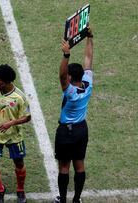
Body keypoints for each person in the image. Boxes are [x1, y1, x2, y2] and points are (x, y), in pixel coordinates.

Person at [54, 27, 94, 203]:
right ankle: (76, 200)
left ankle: (62, 200)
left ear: (70, 77)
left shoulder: (69, 91)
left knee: (64, 166)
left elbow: (61, 75)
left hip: (66, 132)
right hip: (81, 130)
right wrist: (89, 37)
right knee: (79, 165)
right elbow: (88, 59)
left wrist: (66, 55)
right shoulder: (88, 83)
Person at [0, 64, 31, 203]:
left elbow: (27, 117)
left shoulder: (19, 97)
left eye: (0, 83)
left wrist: (10, 123)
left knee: (18, 163)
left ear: (9, 82)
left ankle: (20, 190)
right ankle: (0, 189)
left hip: (14, 136)